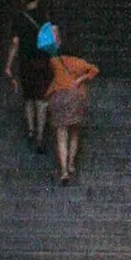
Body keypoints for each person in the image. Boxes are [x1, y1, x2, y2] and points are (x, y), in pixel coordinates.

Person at [4, 0, 53, 149]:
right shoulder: (44, 17)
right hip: (42, 63)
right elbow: (50, 43)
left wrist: (8, 65)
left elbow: (15, 42)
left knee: (28, 97)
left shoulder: (19, 18)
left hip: (25, 63)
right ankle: (40, 135)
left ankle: (30, 129)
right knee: (41, 99)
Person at [46, 48, 100, 184]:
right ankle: (71, 163)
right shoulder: (80, 62)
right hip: (75, 97)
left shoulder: (55, 61)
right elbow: (95, 70)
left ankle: (63, 171)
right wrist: (80, 79)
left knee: (61, 134)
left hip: (58, 98)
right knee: (74, 132)